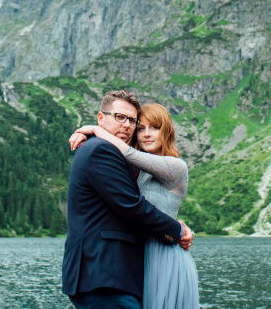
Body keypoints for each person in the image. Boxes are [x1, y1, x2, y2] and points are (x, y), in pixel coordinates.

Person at [62, 90, 194, 308]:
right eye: (119, 117)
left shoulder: (169, 165)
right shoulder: (101, 150)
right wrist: (178, 231)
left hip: (137, 266)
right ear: (101, 117)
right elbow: (132, 206)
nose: (127, 125)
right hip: (105, 273)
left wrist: (94, 131)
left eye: (132, 120)